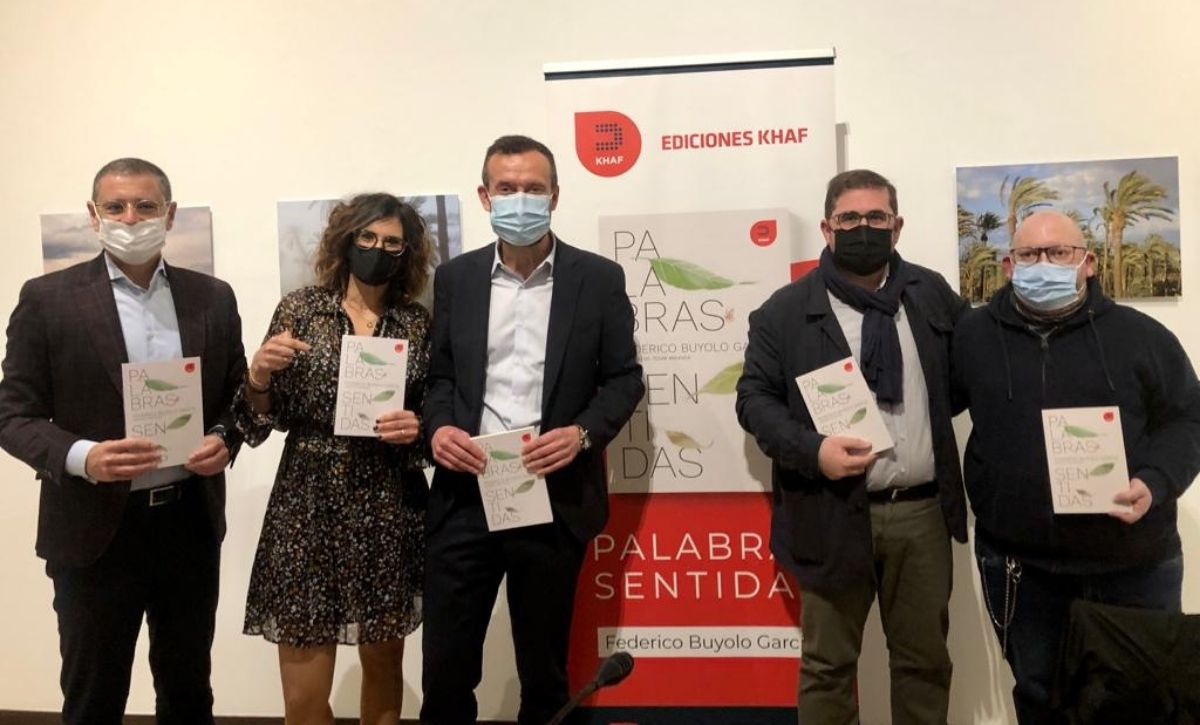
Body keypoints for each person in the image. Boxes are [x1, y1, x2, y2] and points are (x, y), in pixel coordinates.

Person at [0, 158, 246, 724]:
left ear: (170, 214)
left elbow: (235, 396)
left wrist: (224, 438)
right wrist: (83, 457)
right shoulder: (47, 298)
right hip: (93, 531)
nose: (130, 219)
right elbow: (13, 415)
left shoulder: (212, 297)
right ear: (94, 215)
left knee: (189, 693)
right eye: (115, 207)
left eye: (145, 206)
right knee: (94, 697)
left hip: (188, 525)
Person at [420, 134, 644, 725]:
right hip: (465, 493)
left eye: (533, 189)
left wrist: (582, 434)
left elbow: (625, 379)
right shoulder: (457, 278)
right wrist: (437, 430)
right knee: (445, 670)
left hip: (553, 494)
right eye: (506, 188)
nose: (520, 199)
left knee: (544, 674)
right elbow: (441, 377)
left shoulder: (598, 279)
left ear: (554, 196)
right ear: (484, 196)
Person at [736, 169, 969, 724]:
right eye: (849, 219)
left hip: (920, 514)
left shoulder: (931, 294)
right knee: (828, 667)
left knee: (924, 663)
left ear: (897, 226)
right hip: (830, 511)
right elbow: (753, 401)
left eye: (876, 217)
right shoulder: (784, 312)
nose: (863, 228)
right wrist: (812, 450)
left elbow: (965, 377)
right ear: (827, 228)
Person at [951, 209, 1200, 724]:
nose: (1044, 263)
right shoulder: (972, 337)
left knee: (1145, 703)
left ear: (1088, 262)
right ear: (1008, 266)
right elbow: (934, 406)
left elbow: (1189, 419)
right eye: (1029, 254)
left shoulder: (1142, 337)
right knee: (1040, 700)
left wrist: (1155, 481)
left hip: (1134, 565)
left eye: (1059, 252)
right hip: (1024, 570)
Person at [236, 193, 432, 725]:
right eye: (367, 237)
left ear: (407, 253)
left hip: (389, 501)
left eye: (392, 242)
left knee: (384, 670)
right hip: (307, 504)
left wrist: (416, 428)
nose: (377, 249)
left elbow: (433, 421)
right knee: (303, 697)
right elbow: (257, 423)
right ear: (345, 241)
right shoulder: (300, 310)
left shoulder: (416, 323)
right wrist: (259, 374)